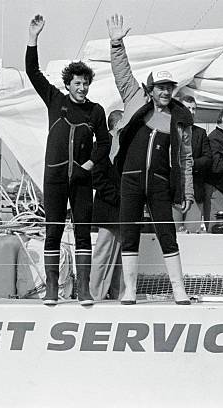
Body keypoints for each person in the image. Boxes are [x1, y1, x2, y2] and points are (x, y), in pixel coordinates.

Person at [107, 14, 194, 305]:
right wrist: (117, 43)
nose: (166, 91)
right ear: (150, 88)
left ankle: (178, 288)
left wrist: (188, 192)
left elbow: (186, 159)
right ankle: (129, 288)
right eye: (161, 87)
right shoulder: (135, 99)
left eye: (170, 87)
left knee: (167, 233)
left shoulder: (180, 120)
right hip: (130, 179)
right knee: (128, 233)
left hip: (159, 182)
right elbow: (122, 72)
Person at [26, 15, 110, 306]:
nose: (82, 88)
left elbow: (106, 143)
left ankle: (84, 289)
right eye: (77, 83)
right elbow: (32, 72)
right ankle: (52, 287)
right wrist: (33, 37)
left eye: (86, 83)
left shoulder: (96, 111)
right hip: (55, 177)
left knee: (83, 231)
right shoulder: (55, 100)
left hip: (82, 180)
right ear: (69, 84)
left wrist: (89, 166)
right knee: (54, 229)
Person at [89, 110, 124, 301]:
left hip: (119, 210)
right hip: (108, 207)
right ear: (118, 124)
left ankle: (117, 293)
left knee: (119, 257)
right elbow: (97, 178)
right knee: (103, 254)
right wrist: (118, 198)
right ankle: (96, 294)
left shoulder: (123, 146)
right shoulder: (102, 146)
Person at [172, 95, 212, 232]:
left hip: (195, 190)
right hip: (173, 191)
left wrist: (190, 163)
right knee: (173, 231)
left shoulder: (200, 133)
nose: (191, 111)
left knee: (193, 231)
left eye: (194, 108)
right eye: (188, 108)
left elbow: (208, 158)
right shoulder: (169, 130)